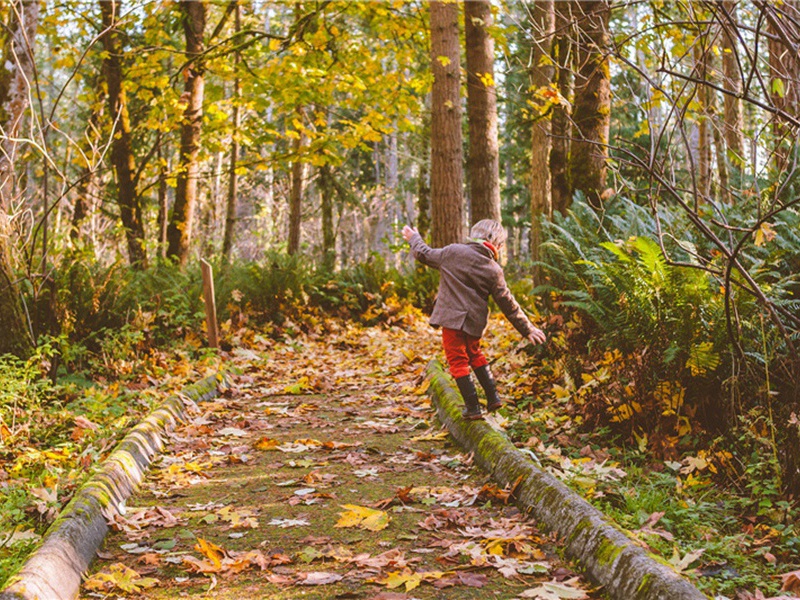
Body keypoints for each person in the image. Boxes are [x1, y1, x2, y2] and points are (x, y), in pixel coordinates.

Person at [402, 219, 546, 420]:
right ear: (498, 245)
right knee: (474, 353)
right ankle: (493, 397)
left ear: (473, 234)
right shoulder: (493, 269)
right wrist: (528, 329)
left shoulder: (453, 252)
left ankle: (473, 408)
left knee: (457, 360)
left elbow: (423, 254)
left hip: (451, 320)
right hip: (474, 323)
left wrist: (414, 238)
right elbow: (508, 304)